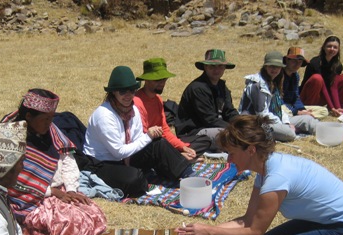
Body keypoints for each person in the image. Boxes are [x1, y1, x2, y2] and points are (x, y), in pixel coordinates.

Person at [176, 115, 343, 235]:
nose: (229, 159)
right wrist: (205, 231)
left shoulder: (276, 178)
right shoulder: (266, 168)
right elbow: (247, 221)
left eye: (232, 153)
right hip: (332, 220)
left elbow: (253, 233)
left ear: (251, 150)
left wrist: (210, 232)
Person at [2, 89, 107, 235]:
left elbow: (67, 158)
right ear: (29, 117)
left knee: (92, 214)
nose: (49, 123)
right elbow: (11, 182)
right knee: (67, 226)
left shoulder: (50, 130)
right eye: (45, 119)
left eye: (51, 118)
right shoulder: (10, 138)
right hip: (29, 199)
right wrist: (52, 192)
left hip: (60, 191)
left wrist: (72, 190)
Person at [83, 66, 193, 198]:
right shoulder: (104, 116)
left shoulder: (132, 109)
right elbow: (118, 152)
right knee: (136, 181)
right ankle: (144, 174)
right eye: (123, 91)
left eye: (132, 90)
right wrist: (148, 137)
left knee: (159, 143)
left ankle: (188, 175)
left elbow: (137, 139)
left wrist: (150, 140)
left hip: (126, 158)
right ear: (113, 92)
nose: (128, 95)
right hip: (103, 163)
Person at [134, 58, 211, 160]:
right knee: (159, 145)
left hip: (161, 142)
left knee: (205, 140)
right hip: (148, 146)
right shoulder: (137, 102)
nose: (162, 83)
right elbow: (143, 138)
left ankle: (181, 158)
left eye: (164, 79)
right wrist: (175, 152)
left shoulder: (157, 99)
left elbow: (165, 130)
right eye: (157, 80)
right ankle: (178, 158)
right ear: (146, 80)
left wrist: (183, 147)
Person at [238, 50, 317, 142]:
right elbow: (262, 114)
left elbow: (279, 108)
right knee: (289, 134)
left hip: (275, 119)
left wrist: (286, 122)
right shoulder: (257, 85)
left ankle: (327, 131)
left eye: (278, 67)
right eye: (272, 66)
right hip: (256, 124)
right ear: (266, 66)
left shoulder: (275, 82)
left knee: (307, 120)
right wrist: (283, 125)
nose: (274, 70)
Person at [175, 49, 239, 151]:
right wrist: (235, 128)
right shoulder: (198, 88)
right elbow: (209, 120)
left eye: (220, 66)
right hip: (193, 133)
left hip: (216, 128)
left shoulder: (222, 86)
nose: (216, 70)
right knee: (233, 136)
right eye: (212, 66)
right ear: (205, 67)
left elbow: (229, 111)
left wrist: (243, 123)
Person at [300, 36, 343, 117]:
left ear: (338, 50)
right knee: (317, 78)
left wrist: (337, 106)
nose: (332, 49)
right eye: (329, 46)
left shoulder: (337, 65)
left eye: (335, 47)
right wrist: (332, 107)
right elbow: (323, 87)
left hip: (323, 97)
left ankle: (339, 107)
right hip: (309, 96)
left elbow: (334, 86)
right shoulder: (315, 62)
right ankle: (309, 107)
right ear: (323, 47)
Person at [282, 46, 328, 120]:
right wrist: (297, 112)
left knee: (324, 111)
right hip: (282, 106)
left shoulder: (295, 76)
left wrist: (302, 109)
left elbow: (296, 96)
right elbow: (277, 100)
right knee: (282, 109)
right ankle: (300, 118)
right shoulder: (279, 75)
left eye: (300, 62)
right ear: (287, 60)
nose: (297, 64)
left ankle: (302, 117)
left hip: (293, 106)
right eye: (294, 61)